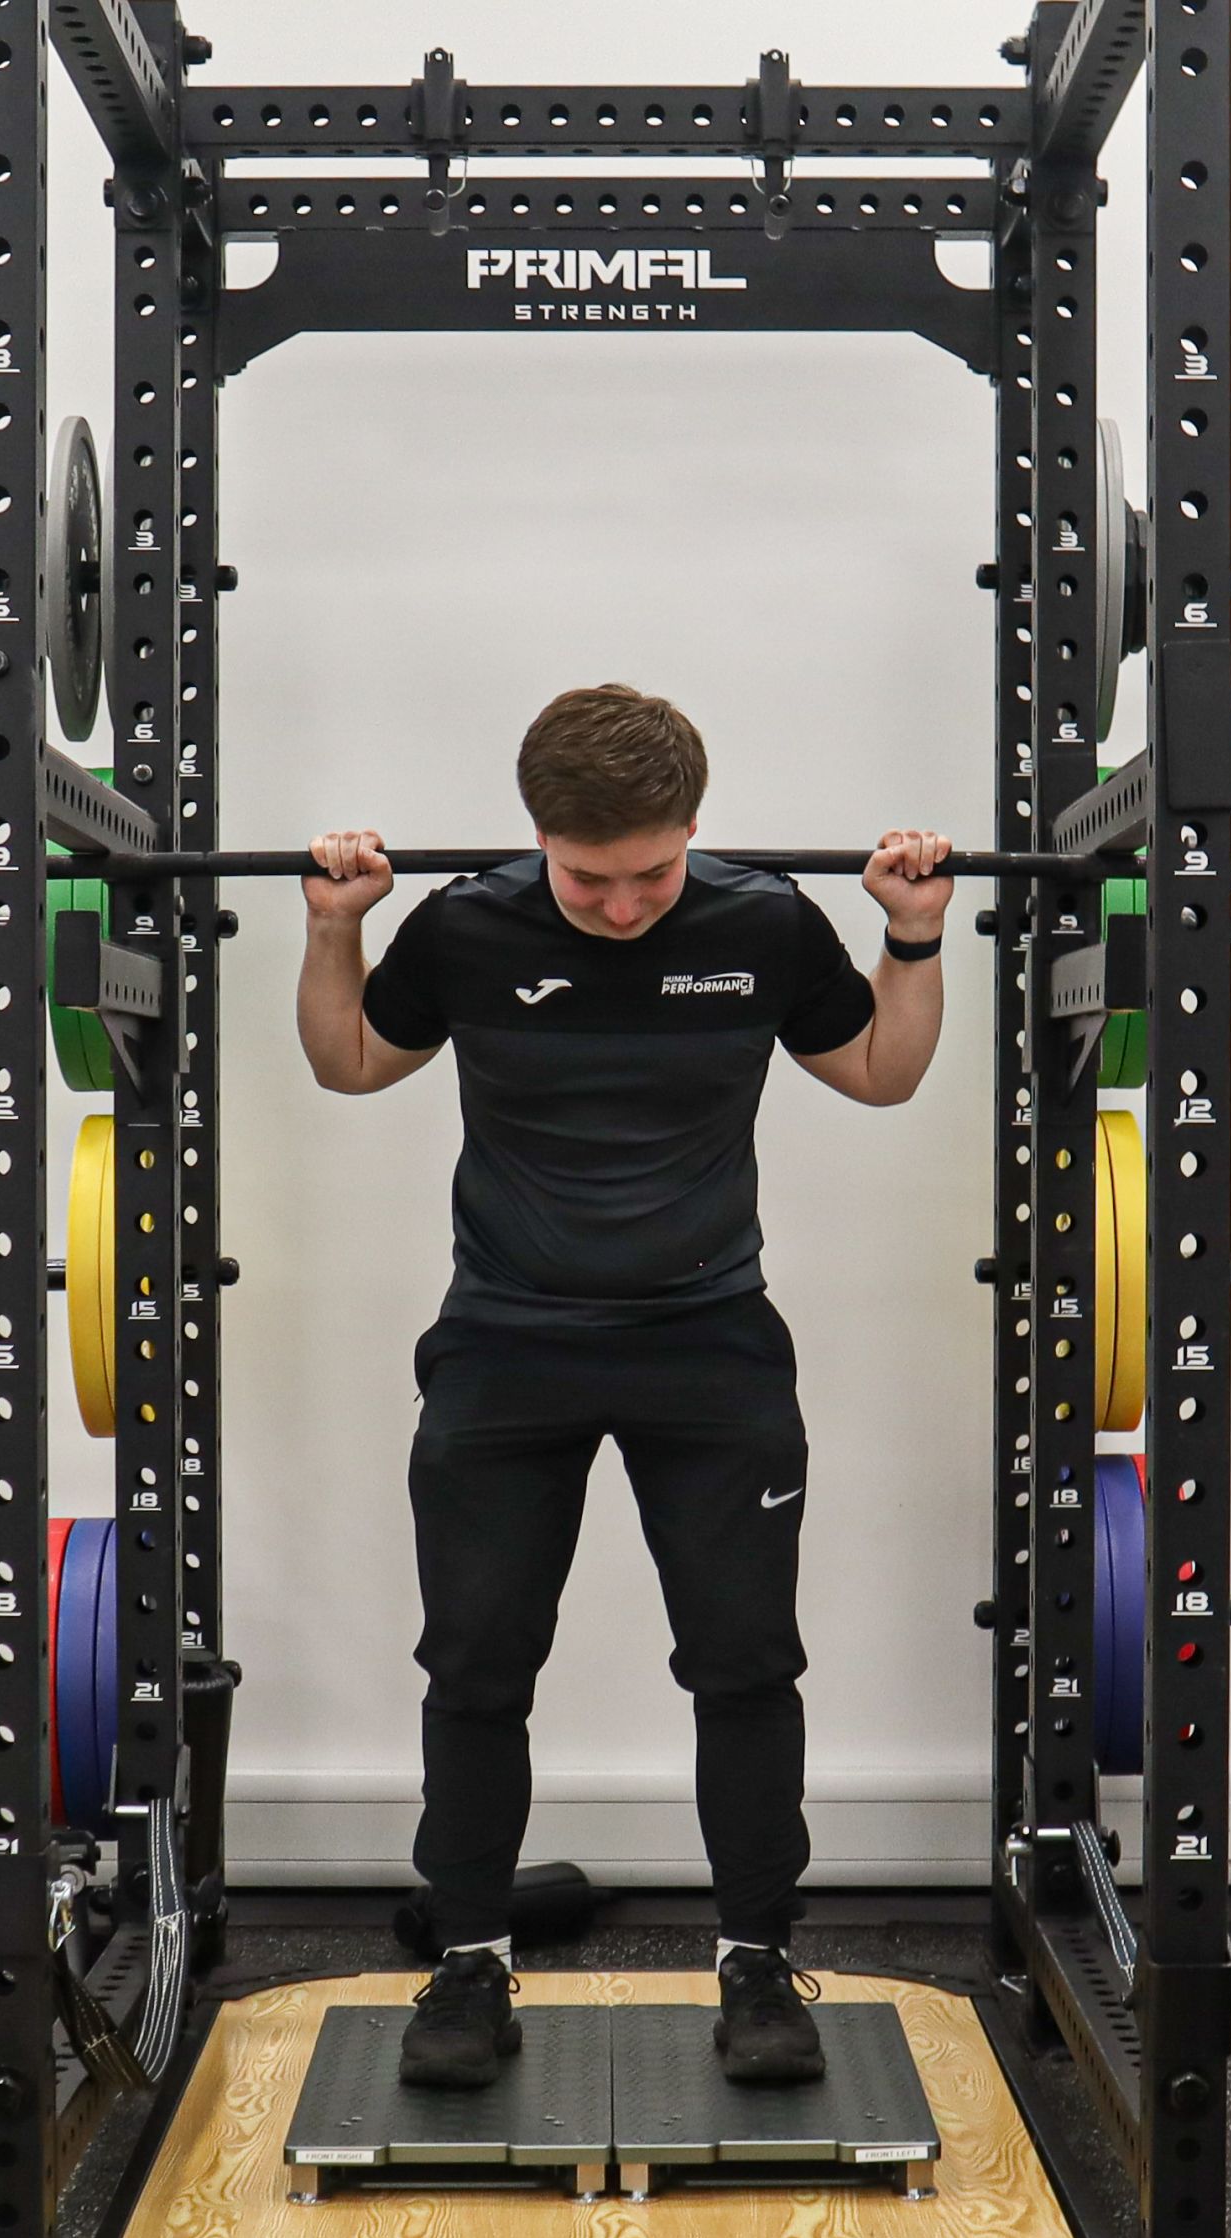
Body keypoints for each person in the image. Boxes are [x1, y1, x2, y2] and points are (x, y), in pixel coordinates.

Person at [296, 683, 954, 2090]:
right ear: (538, 838)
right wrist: (335, 927)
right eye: (586, 877)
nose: (617, 905)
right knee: (475, 1665)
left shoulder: (764, 922)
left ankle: (758, 1961)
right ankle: (469, 1963)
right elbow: (349, 1061)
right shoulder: (469, 927)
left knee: (744, 1658)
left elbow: (888, 1072)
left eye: (650, 872)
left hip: (707, 1344)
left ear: (695, 832)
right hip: (505, 1342)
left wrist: (911, 934)